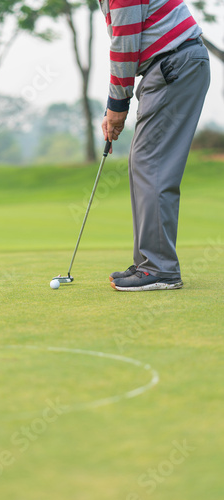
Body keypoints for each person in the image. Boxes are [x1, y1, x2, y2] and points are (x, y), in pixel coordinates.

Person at [99, 0, 210, 292]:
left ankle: (159, 268)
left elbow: (125, 44)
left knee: (152, 163)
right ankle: (148, 261)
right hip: (174, 63)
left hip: (174, 64)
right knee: (143, 162)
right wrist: (116, 105)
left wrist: (117, 105)